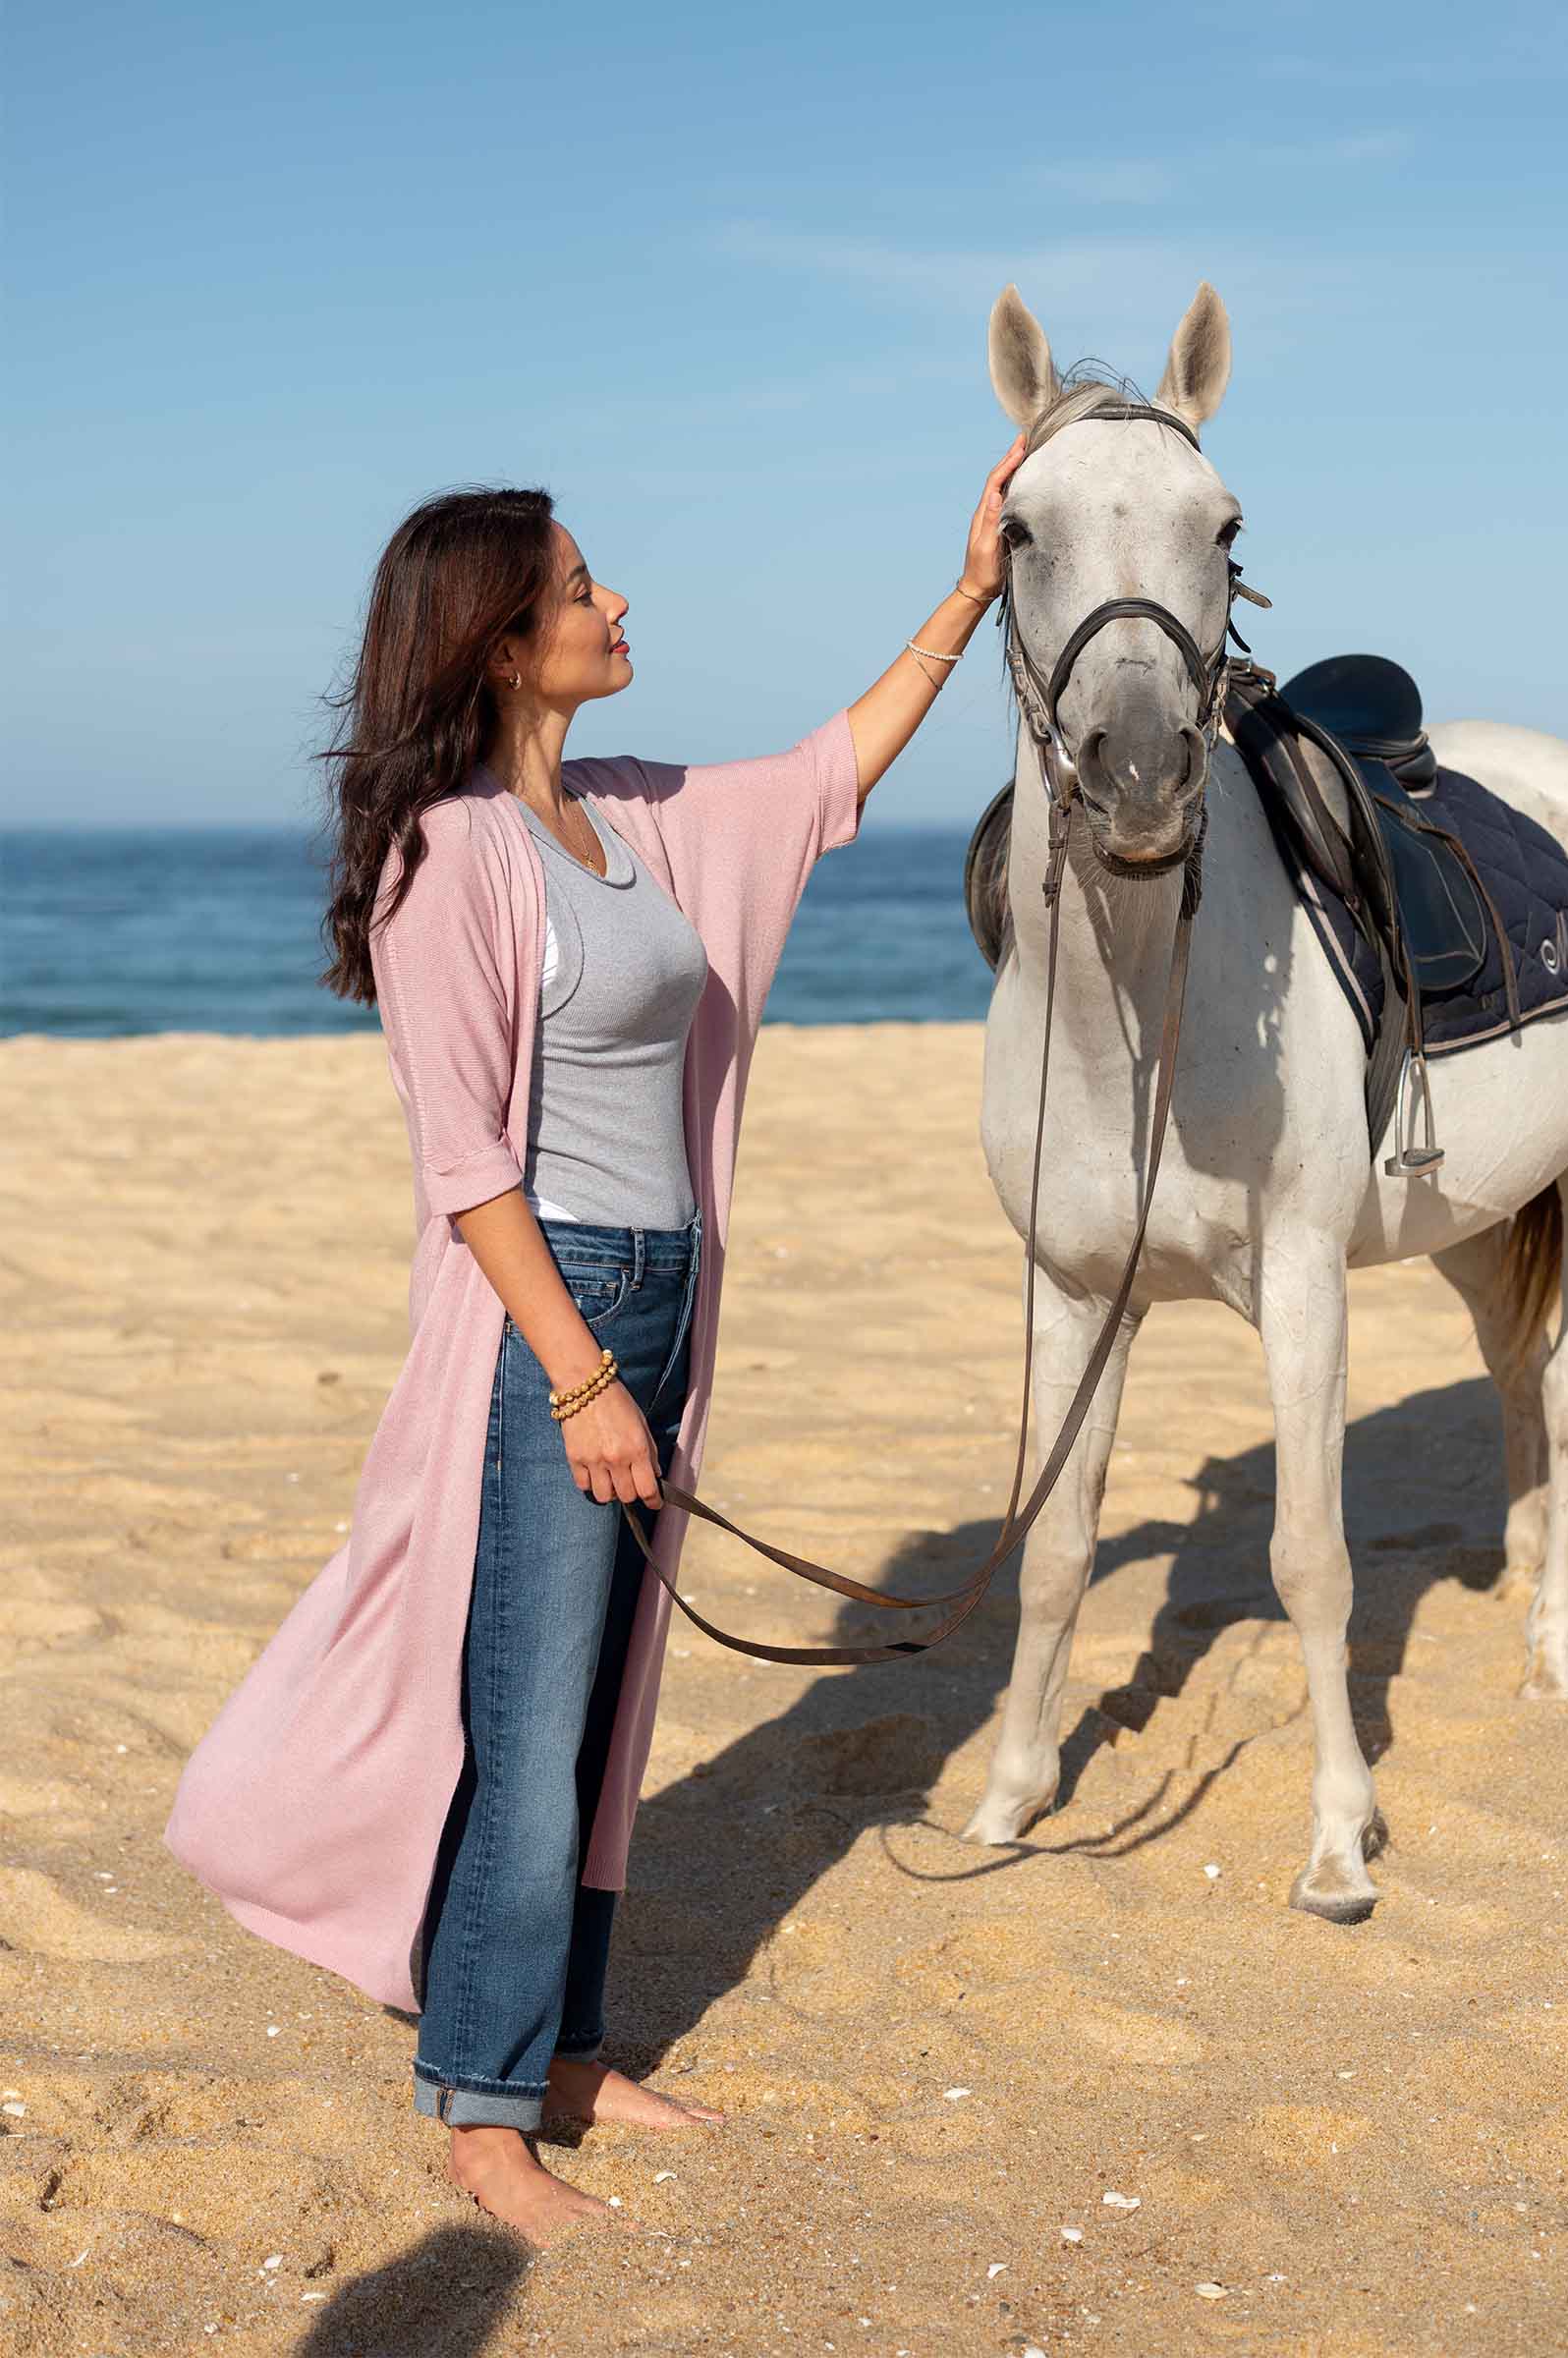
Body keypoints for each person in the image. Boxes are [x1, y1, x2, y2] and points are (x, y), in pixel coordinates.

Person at [163, 435, 1025, 2244]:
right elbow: (469, 1164)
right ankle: (482, 2110)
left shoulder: (626, 815)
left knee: (605, 1715)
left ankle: (563, 2051)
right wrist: (576, 1375)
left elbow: (819, 779)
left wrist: (973, 591)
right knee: (524, 1707)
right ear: (495, 642)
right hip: (542, 1313)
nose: (613, 602)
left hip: (664, 1284)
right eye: (576, 588)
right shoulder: (447, 857)